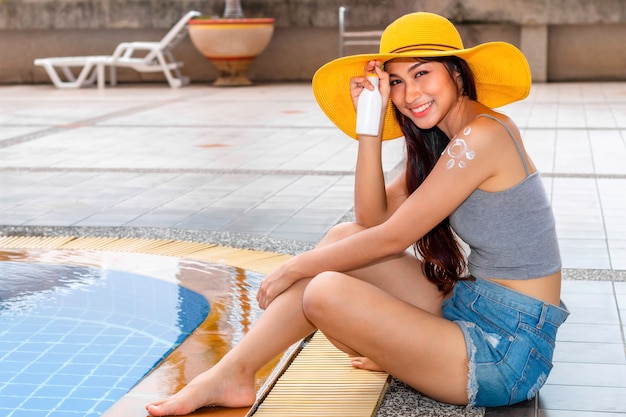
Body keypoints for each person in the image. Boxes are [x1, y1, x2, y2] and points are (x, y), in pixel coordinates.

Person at [146, 11, 569, 415]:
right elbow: (371, 220)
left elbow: (390, 238)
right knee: (341, 240)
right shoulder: (449, 140)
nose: (410, 94)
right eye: (397, 82)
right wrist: (370, 122)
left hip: (507, 351)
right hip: (473, 307)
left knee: (323, 289)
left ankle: (237, 373)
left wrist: (294, 267)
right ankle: (234, 373)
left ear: (456, 73)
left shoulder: (483, 136)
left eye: (423, 73)